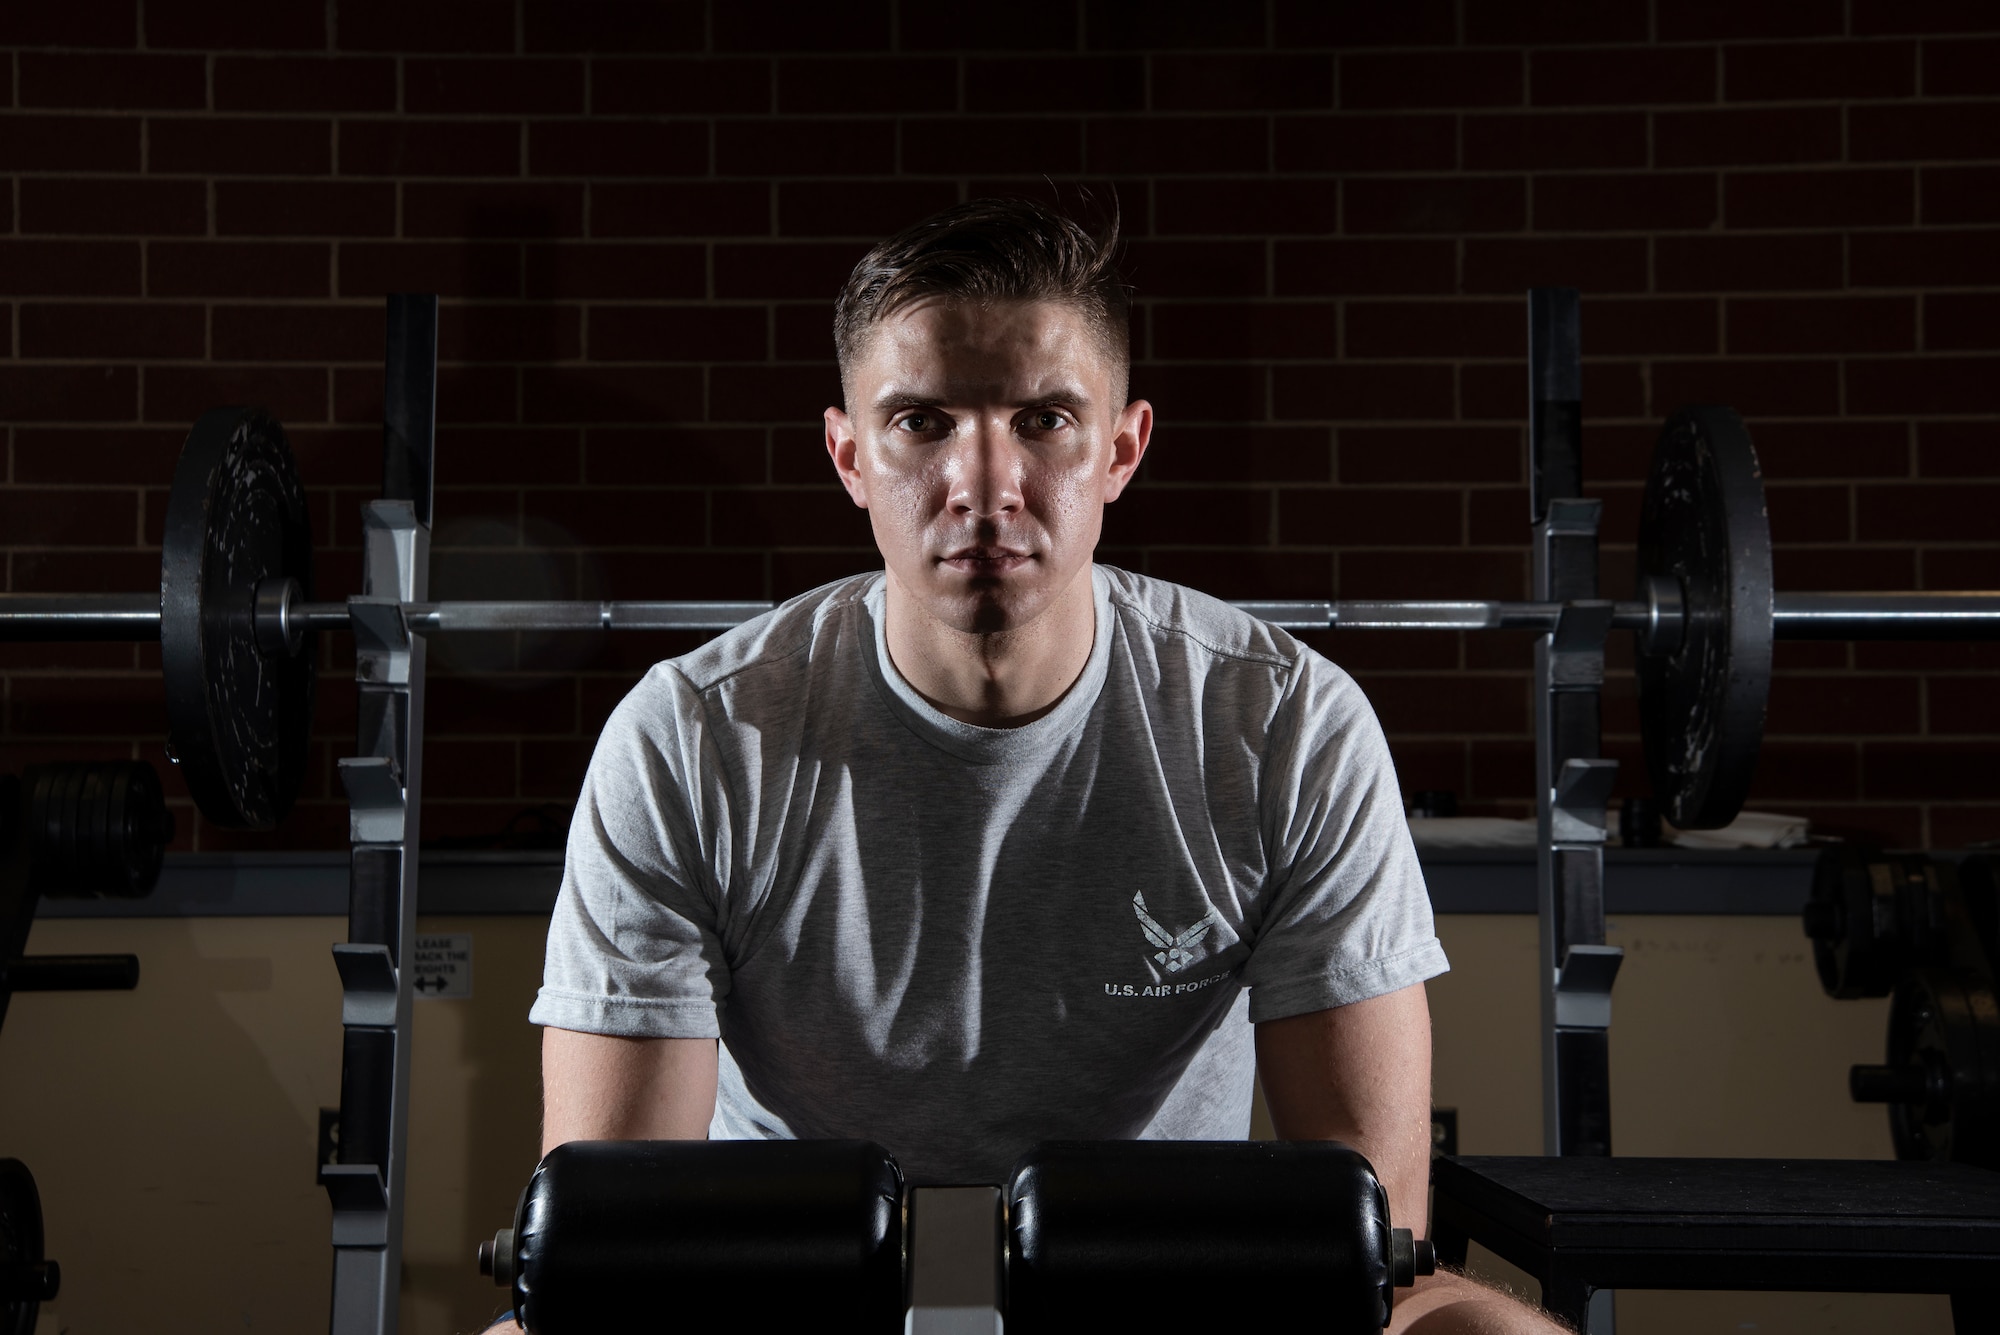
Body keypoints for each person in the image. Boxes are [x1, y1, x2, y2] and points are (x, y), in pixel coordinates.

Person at [488, 198, 1563, 1334]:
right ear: (849, 457)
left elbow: (1368, 1243)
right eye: (920, 422)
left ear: (1120, 449)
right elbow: (624, 1245)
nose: (983, 483)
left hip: (1169, 1303)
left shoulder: (1281, 726)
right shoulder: (691, 739)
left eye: (1043, 418)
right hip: (777, 1303)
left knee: (1476, 1326)